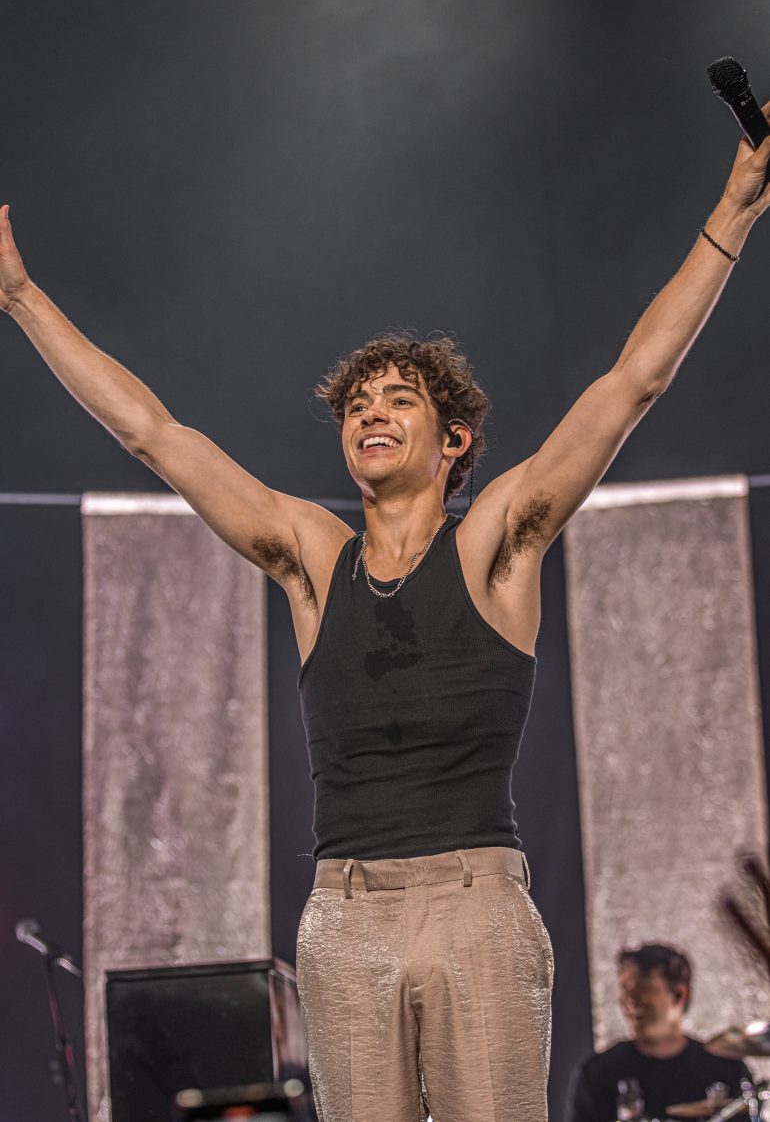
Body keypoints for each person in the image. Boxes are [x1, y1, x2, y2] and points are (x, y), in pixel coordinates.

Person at [2, 114, 770, 1122]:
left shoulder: (498, 541)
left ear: (454, 440)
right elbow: (153, 433)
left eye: (398, 398)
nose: (369, 411)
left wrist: (734, 209)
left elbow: (633, 383)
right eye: (356, 403)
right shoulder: (312, 559)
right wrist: (19, 297)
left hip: (477, 911)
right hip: (346, 916)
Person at [566, 944, 751, 1122]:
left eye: (643, 985)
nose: (630, 998)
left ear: (679, 994)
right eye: (625, 987)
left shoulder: (727, 1069)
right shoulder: (597, 1073)